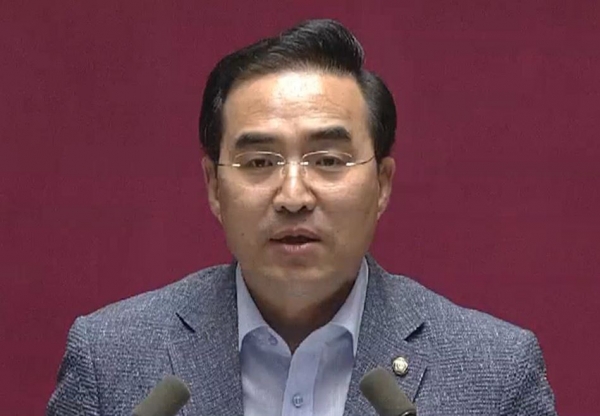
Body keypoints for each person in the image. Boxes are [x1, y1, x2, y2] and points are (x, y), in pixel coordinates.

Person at [47, 19, 557, 416]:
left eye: (328, 161)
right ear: (214, 188)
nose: (293, 196)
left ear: (382, 184)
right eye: (259, 163)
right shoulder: (110, 360)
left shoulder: (495, 373)